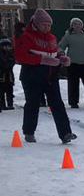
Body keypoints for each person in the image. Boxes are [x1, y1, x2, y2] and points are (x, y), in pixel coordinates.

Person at [15, 9, 75, 144]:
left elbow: (55, 52)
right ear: (36, 24)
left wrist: (62, 57)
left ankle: (66, 133)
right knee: (33, 103)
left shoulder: (52, 38)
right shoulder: (26, 36)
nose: (47, 27)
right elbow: (20, 56)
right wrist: (42, 60)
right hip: (32, 76)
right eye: (44, 25)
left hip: (50, 76)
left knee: (57, 104)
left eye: (49, 25)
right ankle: (29, 131)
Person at [59, 17, 84, 108]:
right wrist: (61, 53)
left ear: (82, 25)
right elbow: (61, 46)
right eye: (75, 24)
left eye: (79, 24)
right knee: (73, 84)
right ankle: (73, 102)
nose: (77, 26)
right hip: (73, 63)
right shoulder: (68, 36)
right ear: (72, 26)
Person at [0, 37, 15, 111]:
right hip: (1, 74)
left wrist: (8, 65)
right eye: (4, 46)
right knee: (1, 91)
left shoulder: (11, 53)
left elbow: (12, 62)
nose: (6, 47)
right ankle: (2, 105)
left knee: (10, 90)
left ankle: (10, 104)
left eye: (8, 46)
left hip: (9, 75)